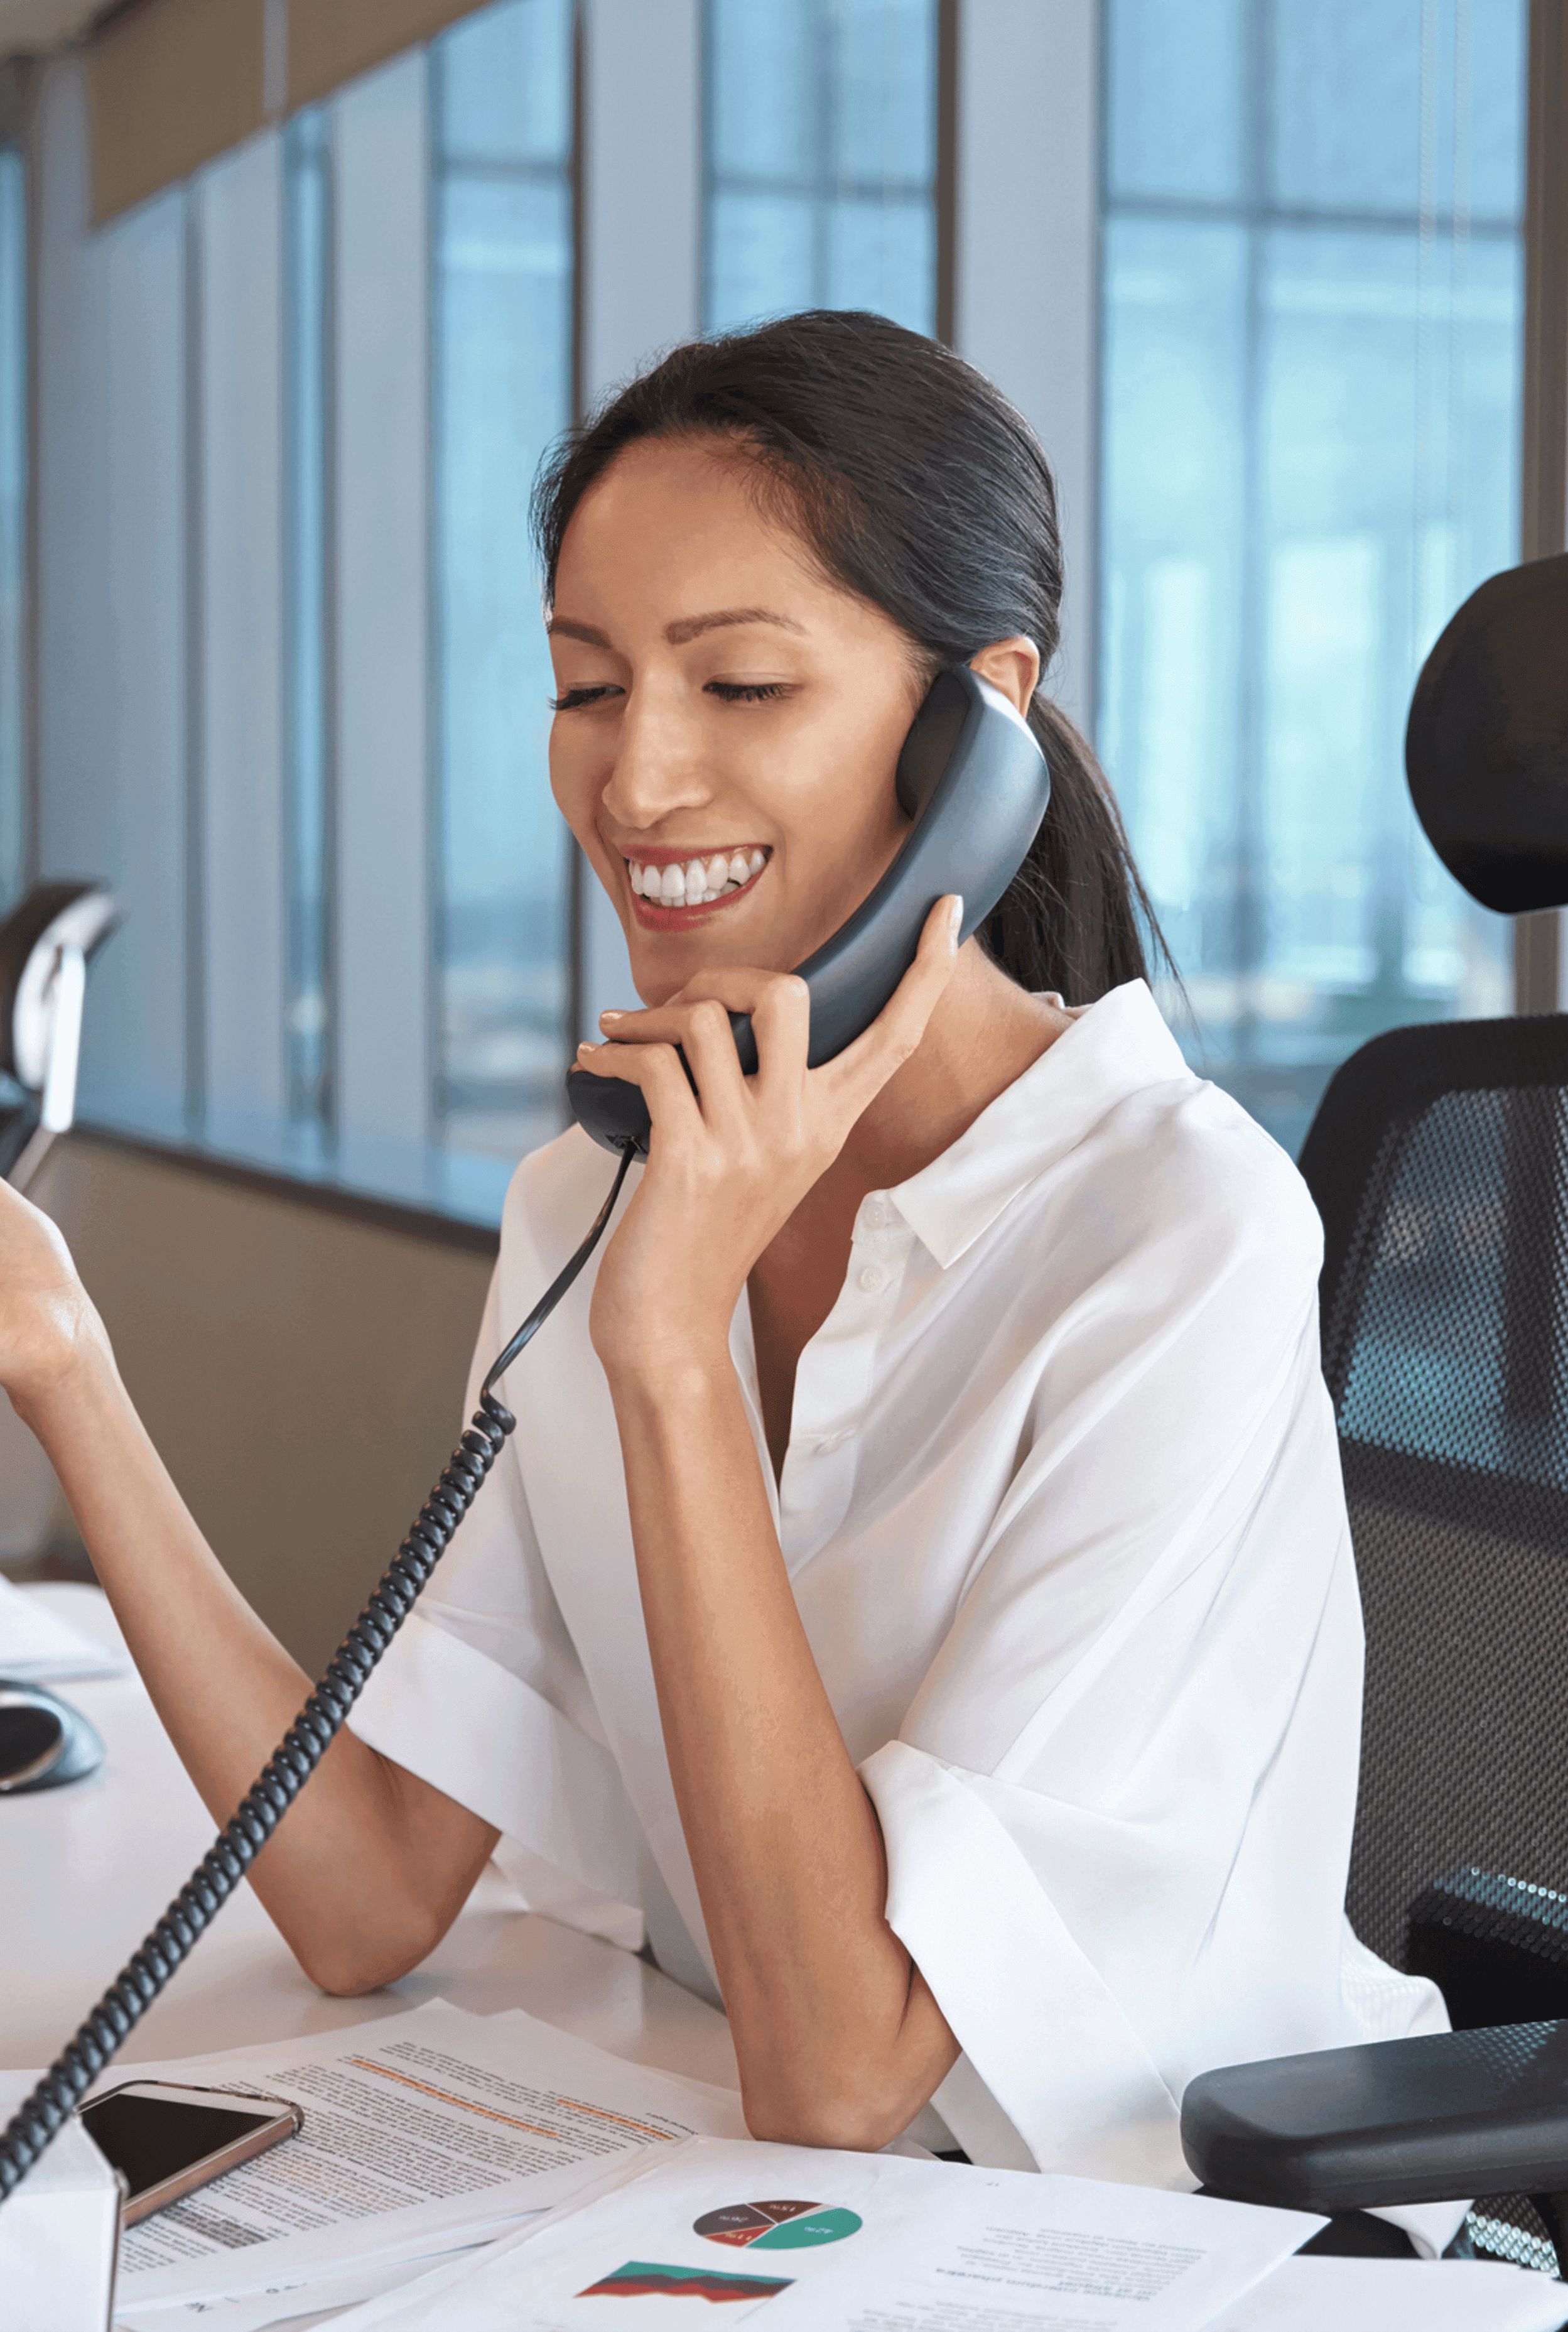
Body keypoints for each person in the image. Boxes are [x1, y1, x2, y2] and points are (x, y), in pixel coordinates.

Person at [0, 312, 1450, 2211]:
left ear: (977, 733)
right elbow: (361, 1894)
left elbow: (847, 2071)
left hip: (1140, 2236)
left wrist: (674, 1343)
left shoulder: (1173, 1233)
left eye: (741, 685)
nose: (636, 781)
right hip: (744, 2196)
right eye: (586, 688)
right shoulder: (584, 1201)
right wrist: (65, 1368)